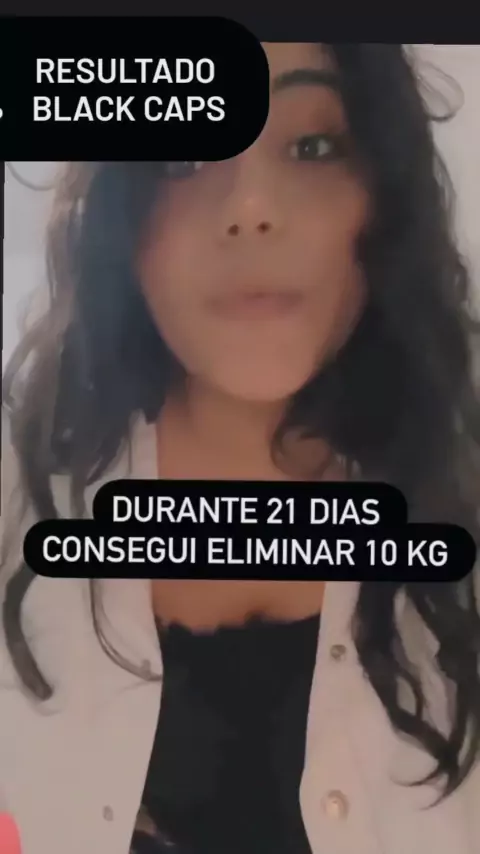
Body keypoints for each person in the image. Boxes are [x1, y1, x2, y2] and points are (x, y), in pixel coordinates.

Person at [1, 42, 479, 854]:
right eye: (185, 157)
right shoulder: (19, 480)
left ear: (382, 192)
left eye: (312, 145)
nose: (251, 206)